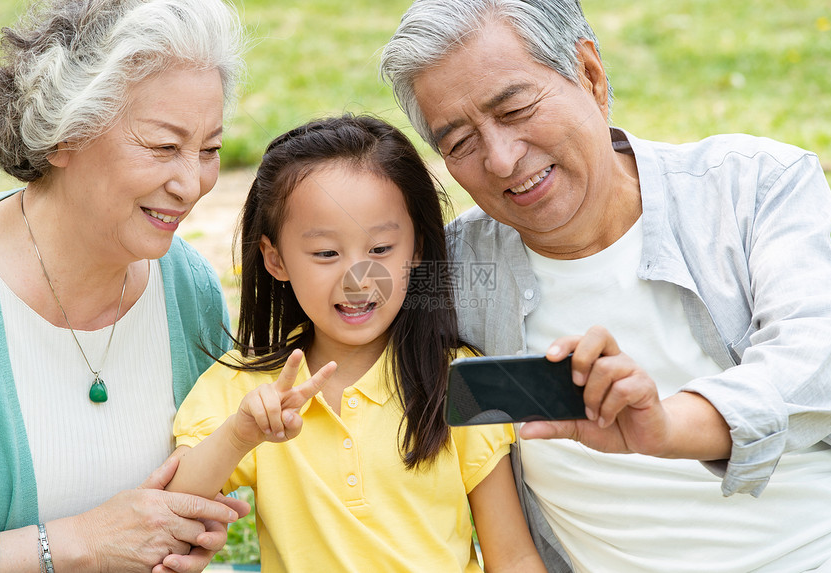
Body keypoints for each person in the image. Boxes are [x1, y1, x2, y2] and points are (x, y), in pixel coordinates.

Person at [380, 1, 831, 571]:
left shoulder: (748, 190)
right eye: (459, 144)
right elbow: (337, 321)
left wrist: (666, 424)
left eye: (516, 108)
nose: (501, 160)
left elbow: (819, 365)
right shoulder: (451, 270)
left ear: (591, 76)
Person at [166, 114, 547, 572]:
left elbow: (513, 555)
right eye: (326, 253)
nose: (357, 279)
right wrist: (239, 435)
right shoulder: (246, 386)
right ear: (275, 258)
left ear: (418, 251)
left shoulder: (458, 380)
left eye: (381, 250)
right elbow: (173, 509)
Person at [0, 0, 250, 571]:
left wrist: (189, 529)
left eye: (209, 150)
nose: (191, 184)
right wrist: (79, 544)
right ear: (62, 137)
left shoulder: (189, 289)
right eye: (162, 146)